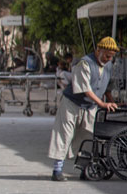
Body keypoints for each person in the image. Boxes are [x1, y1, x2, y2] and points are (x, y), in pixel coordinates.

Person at [48, 37, 120, 181]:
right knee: (64, 134)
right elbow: (85, 89)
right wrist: (102, 104)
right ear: (98, 50)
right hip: (72, 103)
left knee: (88, 135)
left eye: (111, 56)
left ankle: (85, 169)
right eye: (106, 55)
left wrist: (113, 103)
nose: (108, 59)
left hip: (90, 106)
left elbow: (107, 88)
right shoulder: (85, 63)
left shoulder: (108, 65)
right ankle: (57, 170)